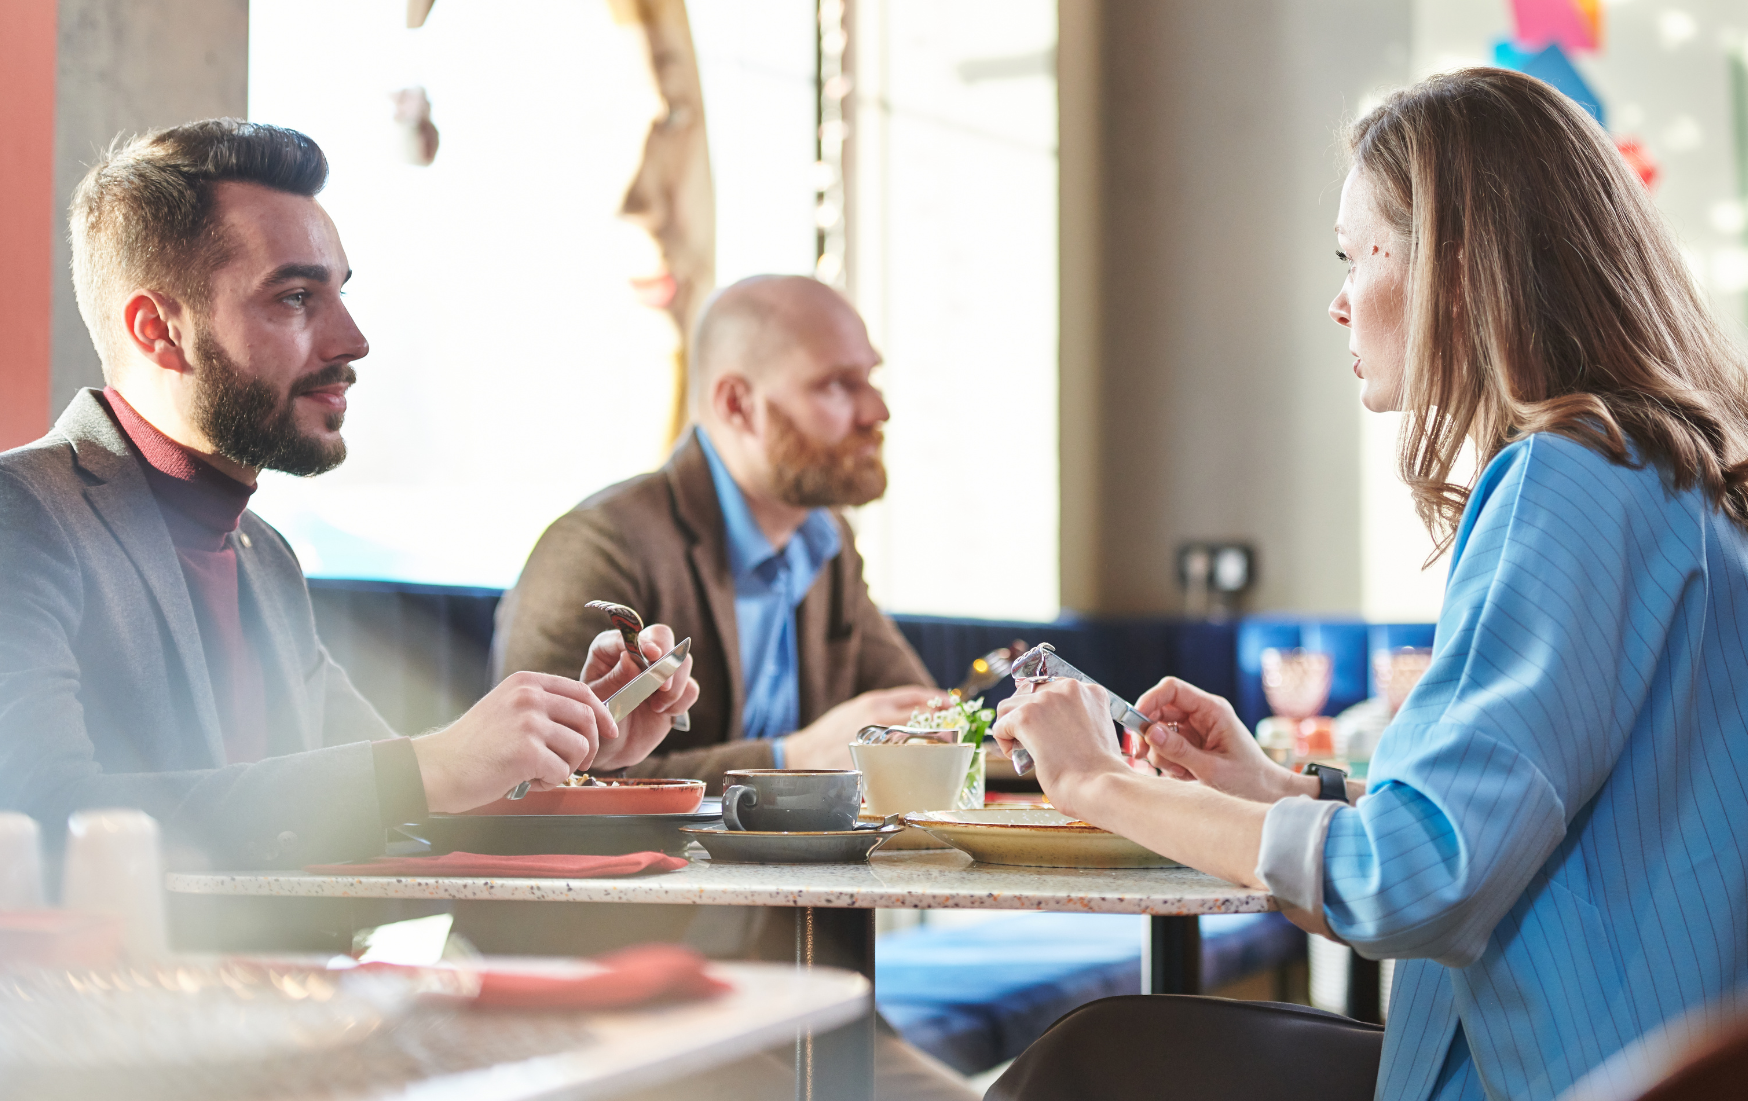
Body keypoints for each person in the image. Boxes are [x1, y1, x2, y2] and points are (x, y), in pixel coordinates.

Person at [991, 68, 1748, 1100]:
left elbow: (1414, 880)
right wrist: (1278, 788)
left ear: (1457, 266)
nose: (1338, 301)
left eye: (1359, 256)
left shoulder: (1567, 477)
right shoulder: (1659, 473)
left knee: (1086, 1065)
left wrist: (1093, 782)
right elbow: (1505, 828)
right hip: (1604, 1059)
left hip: (1551, 1078)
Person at [0, 120, 697, 869]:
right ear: (158, 330)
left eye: (339, 294)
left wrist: (569, 736)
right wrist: (427, 768)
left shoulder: (263, 554)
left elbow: (389, 797)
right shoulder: (23, 515)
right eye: (296, 297)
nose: (353, 339)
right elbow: (38, 815)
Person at [497, 274, 940, 779]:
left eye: (871, 379)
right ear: (737, 404)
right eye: (836, 385)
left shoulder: (826, 541)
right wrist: (789, 762)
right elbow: (536, 781)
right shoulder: (598, 547)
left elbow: (921, 719)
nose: (877, 411)